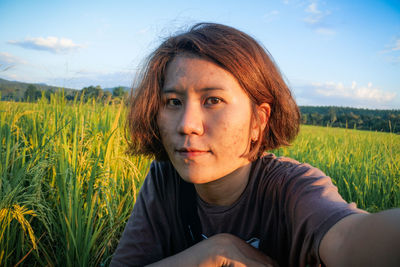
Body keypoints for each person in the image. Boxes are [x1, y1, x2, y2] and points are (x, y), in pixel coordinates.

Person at [110, 23, 400, 267]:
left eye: (213, 100)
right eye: (173, 102)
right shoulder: (165, 180)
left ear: (258, 121)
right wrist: (210, 254)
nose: (187, 124)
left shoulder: (292, 188)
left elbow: (348, 238)